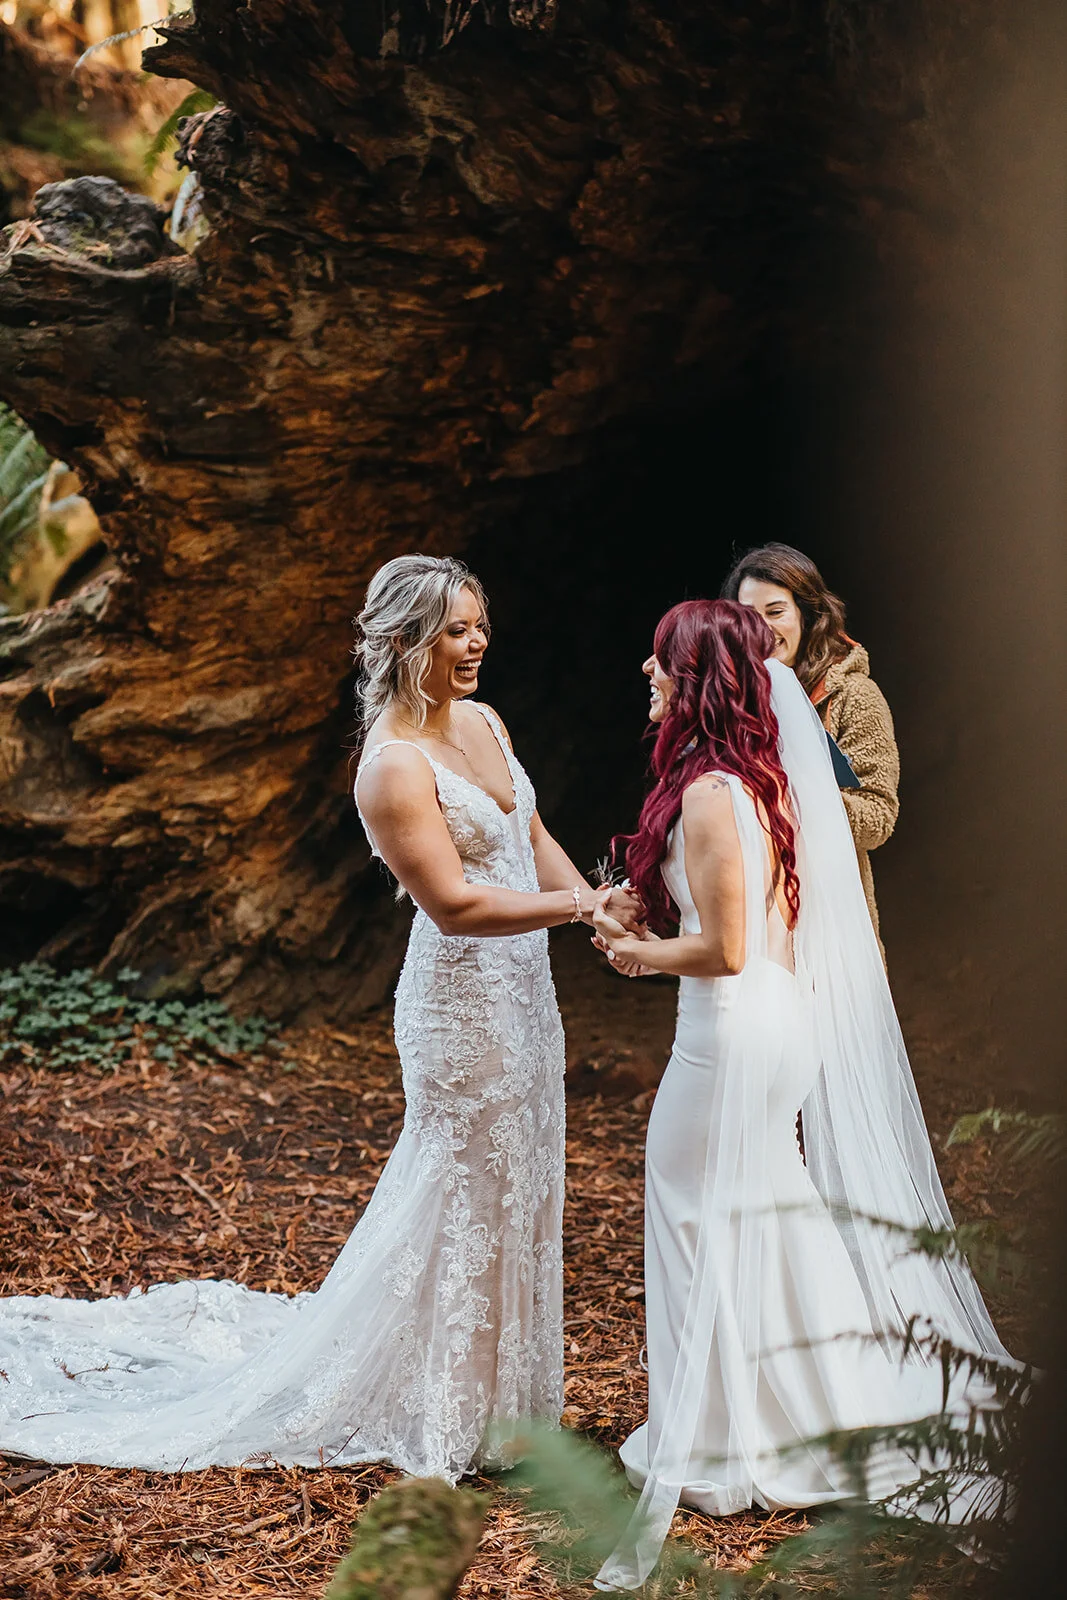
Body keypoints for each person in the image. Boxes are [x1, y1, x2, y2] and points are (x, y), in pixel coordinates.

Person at [0, 553, 635, 1482]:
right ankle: (448, 1416)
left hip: (526, 997)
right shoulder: (389, 767)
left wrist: (597, 906)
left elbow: (527, 836)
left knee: (520, 1184)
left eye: (479, 625)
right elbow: (455, 904)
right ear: (403, 641)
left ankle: (511, 1411)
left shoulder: (487, 721)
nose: (476, 644)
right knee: (460, 1194)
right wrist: (577, 913)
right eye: (455, 630)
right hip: (459, 1008)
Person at [589, 599, 1011, 1590]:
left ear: (692, 682)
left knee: (689, 1214)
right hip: (775, 1026)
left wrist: (633, 953)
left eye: (658, 667)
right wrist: (637, 907)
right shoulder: (756, 783)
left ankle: (716, 1441)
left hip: (729, 1033)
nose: (645, 680)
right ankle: (807, 1415)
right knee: (771, 1215)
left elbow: (723, 949)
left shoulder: (707, 792)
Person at [721, 543, 898, 943]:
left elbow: (878, 818)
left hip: (829, 921)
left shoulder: (853, 697)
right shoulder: (728, 706)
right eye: (749, 617)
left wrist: (788, 795)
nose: (762, 629)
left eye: (776, 611)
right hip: (744, 914)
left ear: (807, 614)